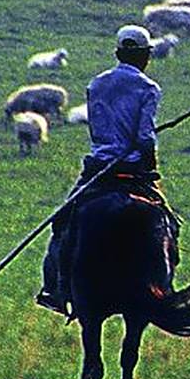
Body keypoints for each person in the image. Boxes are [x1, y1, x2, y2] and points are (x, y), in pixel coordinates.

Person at [37, 25, 171, 315]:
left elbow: (97, 129)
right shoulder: (148, 88)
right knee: (168, 224)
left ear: (118, 53)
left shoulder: (96, 84)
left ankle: (56, 288)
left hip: (98, 169)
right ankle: (164, 286)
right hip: (133, 169)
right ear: (145, 57)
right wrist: (150, 166)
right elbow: (145, 137)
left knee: (62, 223)